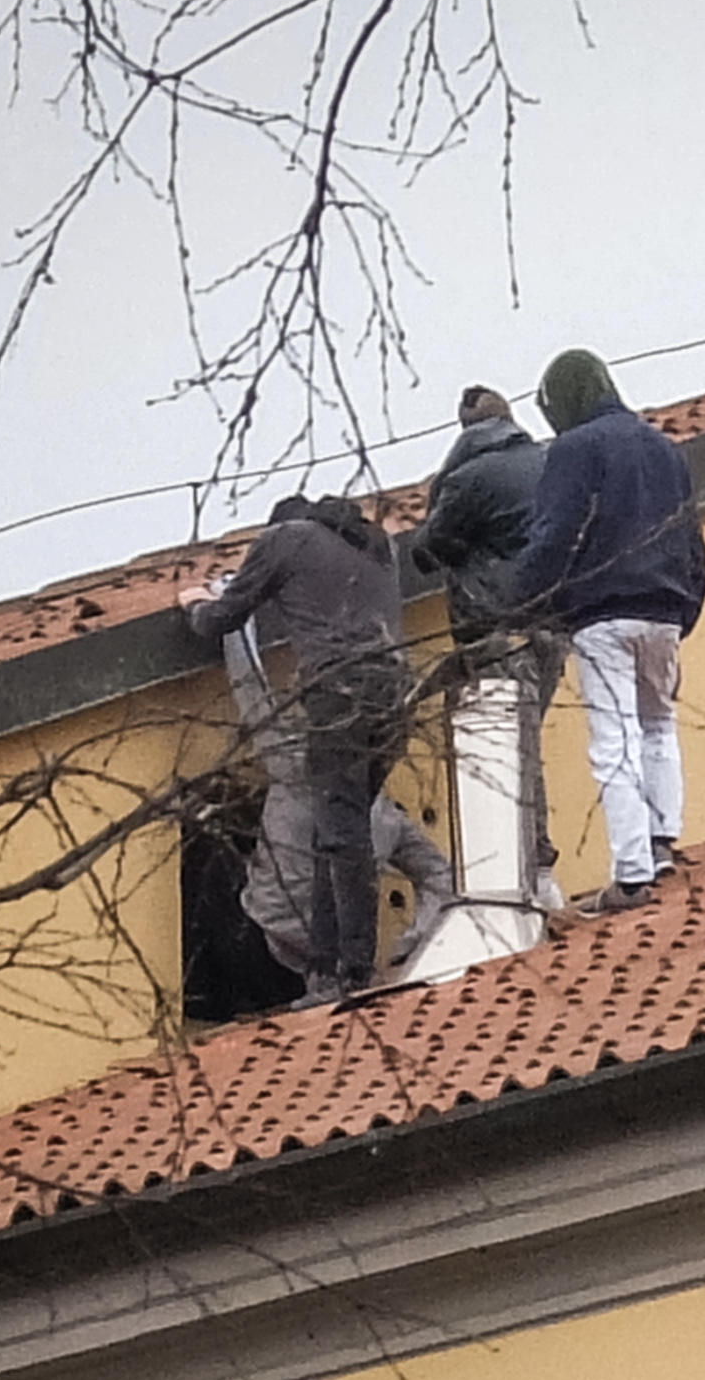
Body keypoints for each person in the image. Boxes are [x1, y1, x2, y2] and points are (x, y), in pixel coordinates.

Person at [180, 494, 413, 1004]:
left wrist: (196, 601)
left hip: (341, 696)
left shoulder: (284, 540)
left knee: (341, 833)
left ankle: (350, 971)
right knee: (339, 832)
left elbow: (221, 619)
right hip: (397, 697)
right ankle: (328, 971)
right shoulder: (376, 545)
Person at [510, 348, 705, 914]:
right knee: (657, 724)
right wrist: (687, 605)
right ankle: (661, 840)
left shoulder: (574, 449)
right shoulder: (665, 448)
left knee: (612, 742)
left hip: (602, 614)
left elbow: (554, 534)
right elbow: (692, 538)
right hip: (665, 610)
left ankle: (630, 876)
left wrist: (519, 603)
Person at [217, 626, 453, 983]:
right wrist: (411, 947)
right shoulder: (386, 818)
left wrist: (233, 623)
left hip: (255, 950)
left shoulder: (296, 765)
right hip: (329, 968)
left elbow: (250, 689)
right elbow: (441, 877)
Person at [412, 384, 562, 909]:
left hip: (493, 626)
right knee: (527, 739)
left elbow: (426, 550)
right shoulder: (549, 462)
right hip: (552, 620)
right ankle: (536, 874)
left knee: (512, 748)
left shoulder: (467, 479)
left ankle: (535, 874)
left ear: (464, 428)